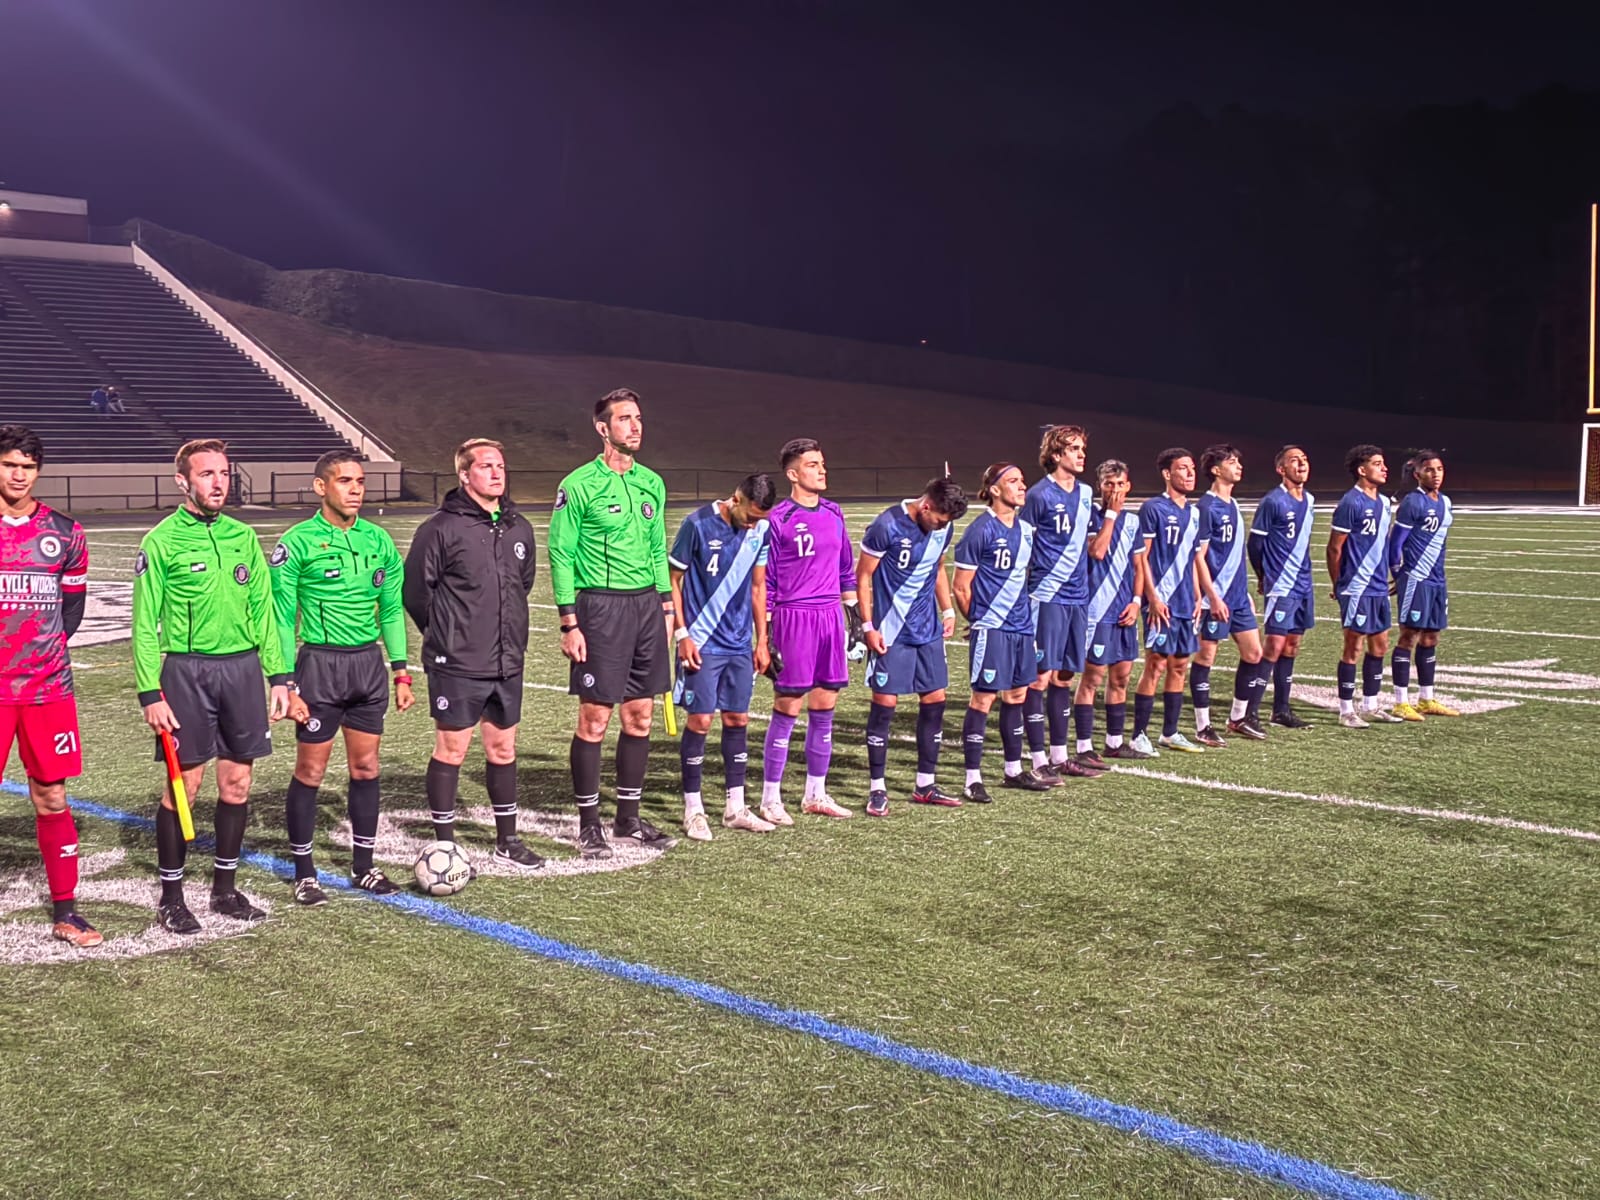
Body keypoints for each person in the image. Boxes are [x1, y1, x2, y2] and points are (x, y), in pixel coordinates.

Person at [134, 438, 291, 933]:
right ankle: (172, 896)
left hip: (242, 670)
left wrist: (279, 676)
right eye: (207, 474)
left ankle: (224, 889)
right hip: (187, 672)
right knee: (186, 786)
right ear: (183, 481)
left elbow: (264, 612)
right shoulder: (160, 542)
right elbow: (143, 624)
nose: (219, 482)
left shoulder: (244, 537)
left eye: (224, 473)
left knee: (238, 783)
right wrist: (149, 693)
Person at [270, 451, 412, 903]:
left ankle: (364, 867)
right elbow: (280, 617)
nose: (355, 489)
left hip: (367, 668)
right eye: (344, 481)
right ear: (320, 487)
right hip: (320, 667)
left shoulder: (380, 541)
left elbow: (390, 610)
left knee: (366, 767)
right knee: (311, 771)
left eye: (360, 481)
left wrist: (402, 670)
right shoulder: (298, 542)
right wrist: (286, 683)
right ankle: (305, 872)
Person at [403, 437, 542, 869]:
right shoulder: (440, 529)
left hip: (506, 659)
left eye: (500, 465)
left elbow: (524, 585)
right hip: (458, 661)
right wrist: (448, 634)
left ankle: (507, 839)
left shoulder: (519, 526)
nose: (497, 473)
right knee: (452, 751)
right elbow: (415, 593)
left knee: (503, 749)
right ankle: (445, 844)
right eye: (486, 466)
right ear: (464, 475)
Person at [550, 389, 675, 857]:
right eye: (625, 419)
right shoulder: (578, 484)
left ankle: (628, 819)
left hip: (646, 607)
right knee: (596, 718)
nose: (635, 426)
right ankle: (588, 824)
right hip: (599, 608)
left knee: (640, 716)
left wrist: (666, 606)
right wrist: (569, 620)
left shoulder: (652, 483)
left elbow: (657, 546)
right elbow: (561, 552)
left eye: (639, 418)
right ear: (603, 428)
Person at [0, 424, 100, 947]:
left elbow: (73, 610)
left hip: (46, 690)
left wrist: (43, 652)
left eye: (28, 466)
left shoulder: (65, 532)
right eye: (10, 464)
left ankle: (67, 912)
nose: (19, 474)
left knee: (52, 796)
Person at [668, 473, 778, 840]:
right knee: (700, 722)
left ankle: (735, 807)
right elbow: (673, 580)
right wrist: (682, 634)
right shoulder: (697, 524)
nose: (753, 523)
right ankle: (693, 809)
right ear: (735, 498)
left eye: (761, 518)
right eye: (750, 515)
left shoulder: (760, 531)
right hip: (701, 641)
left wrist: (762, 640)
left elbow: (760, 586)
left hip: (738, 644)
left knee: (737, 719)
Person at [857, 477, 969, 816]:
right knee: (885, 702)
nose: (942, 526)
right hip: (891, 630)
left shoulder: (941, 527)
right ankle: (877, 788)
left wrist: (947, 609)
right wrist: (867, 626)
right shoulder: (886, 525)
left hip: (928, 630)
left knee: (935, 699)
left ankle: (925, 784)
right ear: (925, 506)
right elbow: (863, 576)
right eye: (939, 519)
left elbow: (937, 568)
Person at [759, 438, 857, 820]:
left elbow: (846, 569)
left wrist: (854, 619)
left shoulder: (834, 513)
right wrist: (765, 636)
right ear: (793, 474)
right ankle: (770, 799)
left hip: (830, 616)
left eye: (822, 463)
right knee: (788, 706)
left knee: (826, 706)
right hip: (794, 616)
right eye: (813, 464)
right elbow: (765, 582)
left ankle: (816, 793)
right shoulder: (778, 518)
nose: (822, 470)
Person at [952, 463, 1055, 799]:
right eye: (1013, 481)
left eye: (1022, 480)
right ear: (994, 490)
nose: (1022, 486)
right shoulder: (980, 530)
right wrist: (981, 621)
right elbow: (961, 588)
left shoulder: (1026, 531)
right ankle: (972, 779)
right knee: (983, 699)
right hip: (993, 628)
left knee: (1017, 695)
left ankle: (1013, 769)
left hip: (1022, 628)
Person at [1020, 425, 1115, 780]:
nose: (1081, 454)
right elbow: (1022, 549)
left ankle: (1060, 756)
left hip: (1078, 596)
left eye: (1082, 448)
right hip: (1047, 596)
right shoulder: (1037, 495)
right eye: (1073, 448)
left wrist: (1112, 514)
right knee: (1039, 678)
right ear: (1056, 454)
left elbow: (1095, 549)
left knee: (1064, 676)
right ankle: (1037, 760)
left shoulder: (1088, 493)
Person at [1130, 448, 1210, 755]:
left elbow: (1191, 559)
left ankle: (1170, 732)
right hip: (1160, 600)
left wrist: (1197, 594)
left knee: (1180, 665)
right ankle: (1139, 734)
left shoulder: (1195, 513)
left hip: (1184, 601)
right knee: (1156, 664)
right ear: (1167, 474)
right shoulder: (1153, 508)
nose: (1190, 473)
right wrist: (1152, 597)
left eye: (1192, 468)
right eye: (1183, 468)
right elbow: (1143, 557)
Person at [1076, 459, 1150, 763]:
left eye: (1120, 484)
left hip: (1123, 610)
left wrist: (1136, 600)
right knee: (1091, 679)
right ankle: (1083, 746)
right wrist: (1111, 514)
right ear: (1100, 486)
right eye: (1109, 484)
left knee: (1121, 677)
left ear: (1128, 485)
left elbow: (1138, 566)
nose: (1115, 490)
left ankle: (1114, 742)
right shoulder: (1090, 516)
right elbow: (1098, 551)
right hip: (1096, 610)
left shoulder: (1133, 522)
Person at [1194, 445, 1269, 743]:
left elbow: (1235, 554)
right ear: (1215, 469)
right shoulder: (1206, 507)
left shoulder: (1234, 505)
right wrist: (1211, 596)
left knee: (1254, 654)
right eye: (1231, 462)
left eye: (1238, 460)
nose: (1238, 466)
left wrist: (1246, 590)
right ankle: (1202, 725)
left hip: (1237, 596)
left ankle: (1237, 717)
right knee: (1206, 657)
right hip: (1215, 596)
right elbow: (1199, 557)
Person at [1327, 444, 1402, 728]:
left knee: (1380, 645)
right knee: (1353, 647)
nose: (1384, 468)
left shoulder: (1384, 503)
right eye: (1377, 463)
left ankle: (1371, 705)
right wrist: (1339, 584)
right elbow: (1334, 549)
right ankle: (1346, 710)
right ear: (1362, 470)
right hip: (1356, 586)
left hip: (1378, 586)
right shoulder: (1351, 502)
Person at [1388, 450, 1460, 721]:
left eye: (1439, 468)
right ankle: (1400, 701)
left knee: (1431, 637)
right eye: (1429, 470)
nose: (1436, 474)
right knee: (1409, 636)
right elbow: (1395, 544)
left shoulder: (1446, 502)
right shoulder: (1412, 503)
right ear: (1417, 474)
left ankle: (1426, 698)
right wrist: (1399, 574)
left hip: (1437, 579)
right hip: (1416, 578)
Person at [1248, 445, 1317, 729]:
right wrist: (1264, 575)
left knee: (1292, 646)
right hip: (1282, 584)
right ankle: (1250, 711)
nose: (1301, 464)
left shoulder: (1310, 500)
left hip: (1303, 585)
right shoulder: (1273, 501)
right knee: (1274, 645)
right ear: (1281, 469)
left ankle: (1281, 709)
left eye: (1304, 459)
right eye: (1294, 460)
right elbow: (1255, 544)